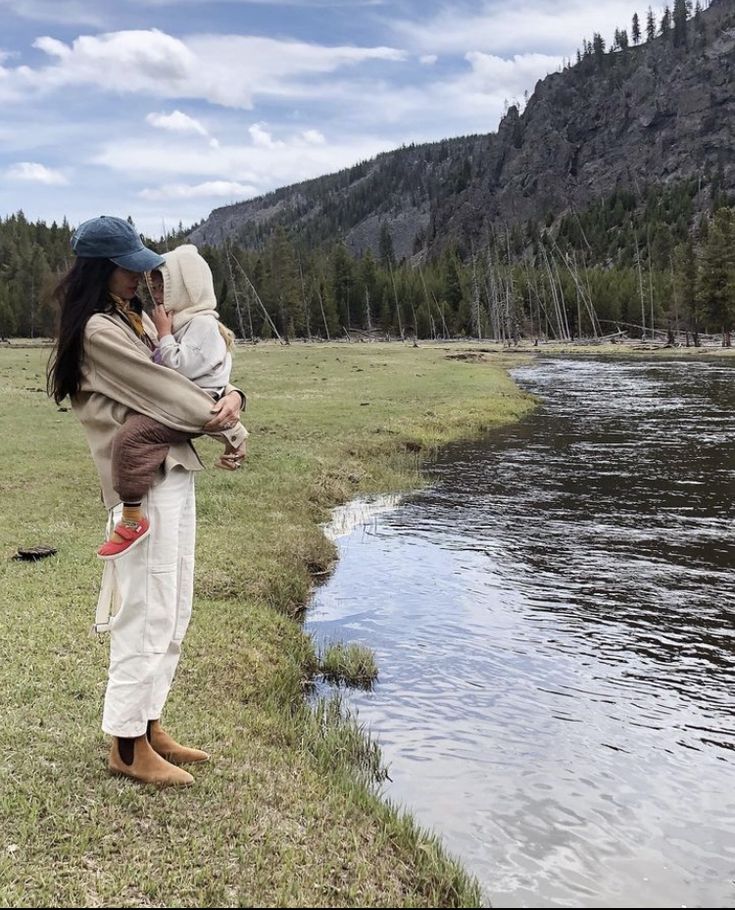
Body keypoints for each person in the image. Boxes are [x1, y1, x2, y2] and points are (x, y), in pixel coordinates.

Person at [47, 215, 247, 786]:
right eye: (127, 266)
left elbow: (191, 375)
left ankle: (150, 722)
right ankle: (126, 746)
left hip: (174, 472)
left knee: (175, 601)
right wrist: (229, 421)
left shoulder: (127, 319)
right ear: (101, 270)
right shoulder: (98, 332)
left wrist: (232, 392)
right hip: (144, 482)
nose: (139, 275)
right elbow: (168, 394)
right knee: (145, 610)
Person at [98, 243, 242, 560]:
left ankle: (132, 520)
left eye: (164, 282)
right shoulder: (103, 326)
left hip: (183, 414)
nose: (154, 288)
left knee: (133, 437)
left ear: (186, 285)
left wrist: (234, 398)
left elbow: (180, 370)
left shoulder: (194, 323)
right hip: (182, 414)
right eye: (155, 282)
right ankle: (132, 514)